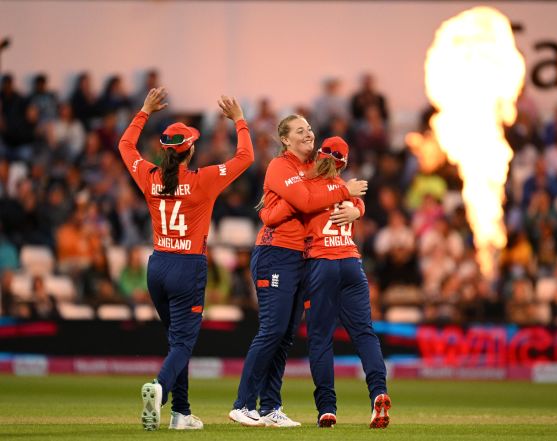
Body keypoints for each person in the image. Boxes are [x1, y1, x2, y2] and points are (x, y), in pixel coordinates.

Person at [118, 88, 253, 431]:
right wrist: (239, 120)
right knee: (183, 342)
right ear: (190, 150)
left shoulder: (149, 177)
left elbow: (125, 146)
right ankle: (159, 391)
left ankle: (181, 413)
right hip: (187, 267)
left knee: (176, 342)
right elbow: (246, 158)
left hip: (158, 265)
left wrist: (144, 110)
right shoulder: (203, 180)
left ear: (164, 151)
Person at [228, 116, 367, 428]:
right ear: (286, 140)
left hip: (301, 258)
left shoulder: (314, 168)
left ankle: (270, 407)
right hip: (275, 253)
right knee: (272, 330)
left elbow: (306, 202)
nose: (308, 133)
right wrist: (339, 191)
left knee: (286, 335)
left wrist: (355, 206)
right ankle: (243, 404)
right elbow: (306, 201)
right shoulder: (281, 166)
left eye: (309, 129)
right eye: (300, 130)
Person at [260, 137, 390, 429]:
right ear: (344, 163)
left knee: (320, 339)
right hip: (352, 264)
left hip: (321, 264)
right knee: (365, 334)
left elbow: (282, 211)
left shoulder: (307, 187)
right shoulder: (350, 193)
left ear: (319, 156)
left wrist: (266, 212)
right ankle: (379, 392)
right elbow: (357, 205)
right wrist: (358, 209)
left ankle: (327, 409)